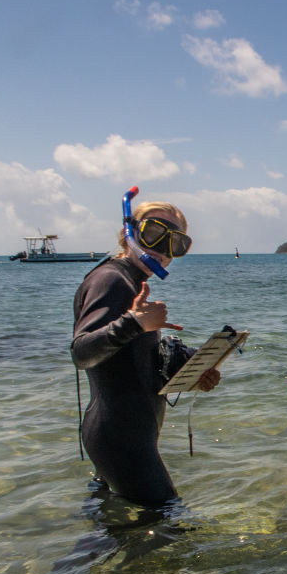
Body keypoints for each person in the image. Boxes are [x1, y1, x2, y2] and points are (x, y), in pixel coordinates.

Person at [71, 198, 220, 505]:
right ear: (129, 234)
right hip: (121, 439)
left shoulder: (129, 282)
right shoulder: (111, 280)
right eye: (153, 233)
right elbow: (82, 353)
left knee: (116, 534)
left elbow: (129, 365)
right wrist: (134, 323)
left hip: (122, 435)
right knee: (167, 529)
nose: (163, 248)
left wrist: (188, 372)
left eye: (176, 242)